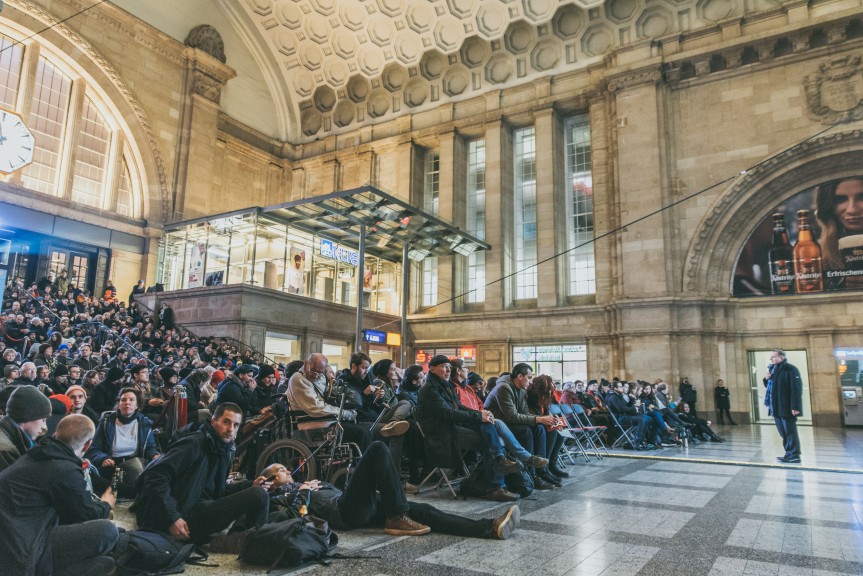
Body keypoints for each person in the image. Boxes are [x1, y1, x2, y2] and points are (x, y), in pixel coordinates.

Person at [261, 441, 519, 540]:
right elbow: (294, 515)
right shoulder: (281, 496)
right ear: (270, 481)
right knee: (377, 448)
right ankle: (397, 515)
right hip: (343, 512)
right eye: (281, 471)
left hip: (356, 503)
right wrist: (304, 491)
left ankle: (487, 527)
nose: (288, 471)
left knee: (424, 511)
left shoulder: (304, 484)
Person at [132, 402, 270, 544]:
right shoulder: (194, 443)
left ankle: (240, 540)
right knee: (259, 495)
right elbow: (155, 476)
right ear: (213, 422)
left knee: (258, 492)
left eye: (235, 425)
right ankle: (252, 545)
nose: (230, 429)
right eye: (226, 422)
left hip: (198, 511)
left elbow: (217, 491)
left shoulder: (224, 450)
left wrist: (249, 485)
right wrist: (172, 517)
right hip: (178, 518)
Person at [0, 414, 118, 576]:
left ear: (56, 434)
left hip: (15, 534)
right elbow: (85, 514)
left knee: (104, 563)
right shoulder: (64, 470)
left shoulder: (38, 453)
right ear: (87, 445)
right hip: (24, 550)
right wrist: (105, 504)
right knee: (108, 531)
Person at [415, 355, 521, 502]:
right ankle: (495, 485)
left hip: (451, 427)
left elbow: (459, 407)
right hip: (442, 434)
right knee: (490, 440)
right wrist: (478, 417)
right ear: (432, 369)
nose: (447, 370)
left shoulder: (445, 386)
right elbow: (448, 413)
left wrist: (479, 413)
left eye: (449, 367)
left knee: (489, 429)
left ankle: (497, 469)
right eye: (443, 367)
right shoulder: (429, 390)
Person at [485, 364, 561, 490]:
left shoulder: (522, 388)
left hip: (510, 422)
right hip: (497, 424)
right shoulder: (503, 388)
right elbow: (511, 416)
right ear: (520, 376)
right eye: (529, 377)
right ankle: (531, 475)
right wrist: (540, 419)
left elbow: (524, 412)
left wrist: (543, 420)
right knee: (526, 431)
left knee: (540, 428)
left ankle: (541, 470)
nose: (531, 381)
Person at [287, 353, 372, 452]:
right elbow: (315, 408)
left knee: (366, 430)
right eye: (313, 370)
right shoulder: (298, 379)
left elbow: (327, 395)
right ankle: (362, 465)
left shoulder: (320, 377)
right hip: (312, 423)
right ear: (306, 364)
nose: (316, 376)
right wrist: (343, 413)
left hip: (325, 420)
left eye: (320, 372)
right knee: (361, 433)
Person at [86, 388, 160, 492]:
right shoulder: (107, 422)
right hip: (112, 464)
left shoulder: (144, 423)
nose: (127, 403)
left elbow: (150, 448)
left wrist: (154, 455)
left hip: (136, 463)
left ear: (137, 405)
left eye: (131, 400)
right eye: (123, 400)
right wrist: (103, 459)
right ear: (119, 404)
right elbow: (94, 448)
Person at [816, 177, 863, 288]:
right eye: (840, 200)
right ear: (828, 206)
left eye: (862, 197)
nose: (852, 209)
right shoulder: (816, 254)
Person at [0, 385, 52, 471]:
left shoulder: (8, 438)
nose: (44, 427)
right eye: (43, 420)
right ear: (28, 416)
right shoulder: (6, 450)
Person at [764, 349, 803, 463]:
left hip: (786, 407)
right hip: (776, 407)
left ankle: (795, 455)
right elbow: (771, 387)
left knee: (790, 432)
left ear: (781, 357)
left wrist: (795, 406)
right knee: (783, 432)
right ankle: (788, 453)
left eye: (773, 357)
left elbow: (796, 388)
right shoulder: (773, 370)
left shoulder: (790, 369)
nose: (771, 359)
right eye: (770, 357)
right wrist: (767, 379)